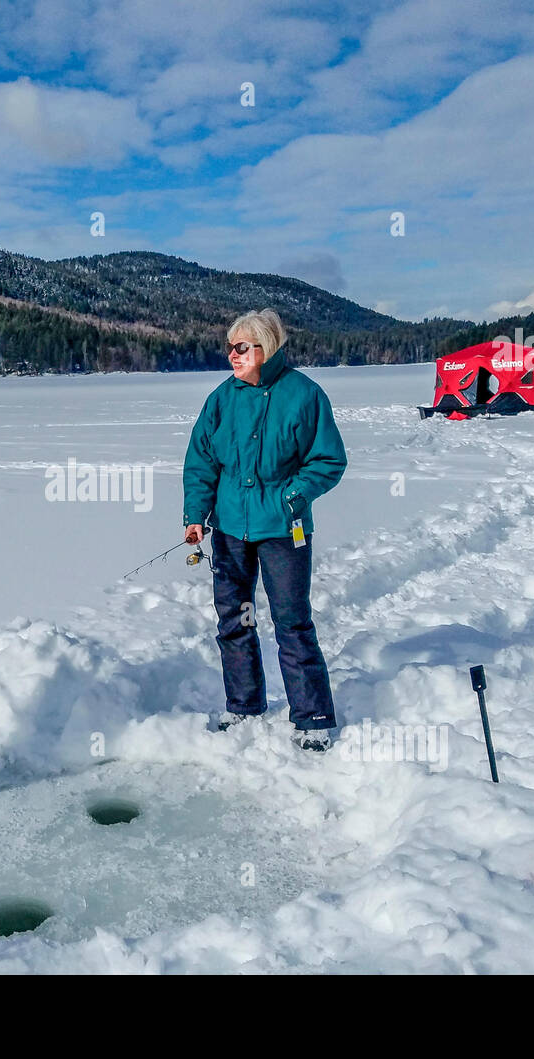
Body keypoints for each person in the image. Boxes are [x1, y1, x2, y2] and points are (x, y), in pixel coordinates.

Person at [182, 308, 347, 751]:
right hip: (231, 529)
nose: (231, 355)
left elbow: (329, 461)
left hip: (283, 530)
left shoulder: (304, 395)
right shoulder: (221, 399)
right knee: (234, 620)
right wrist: (195, 515)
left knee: (292, 623)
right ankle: (244, 707)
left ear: (265, 348)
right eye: (229, 347)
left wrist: (290, 498)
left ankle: (312, 719)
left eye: (240, 347)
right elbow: (201, 461)